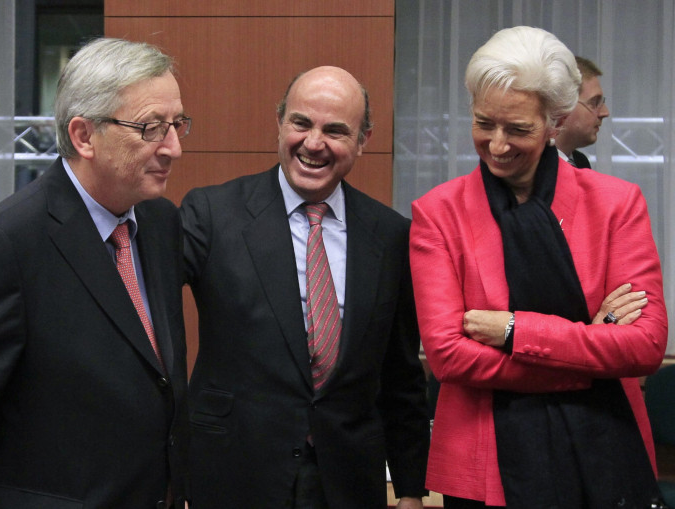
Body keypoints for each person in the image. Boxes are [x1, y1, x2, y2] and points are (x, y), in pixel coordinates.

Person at [410, 26, 668, 508]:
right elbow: (447, 355)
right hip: (484, 465)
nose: (498, 144)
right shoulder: (439, 213)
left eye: (519, 129)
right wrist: (588, 351)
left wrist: (513, 330)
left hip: (608, 452)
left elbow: (646, 344)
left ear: (555, 121)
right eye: (484, 123)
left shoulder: (615, 205)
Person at [0, 38, 190, 508]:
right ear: (83, 136)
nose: (172, 147)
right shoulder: (6, 245)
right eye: (151, 128)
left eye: (177, 125)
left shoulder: (158, 224)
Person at [180, 66, 429, 509]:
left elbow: (400, 375)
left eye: (335, 130)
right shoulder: (213, 214)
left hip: (347, 483)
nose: (314, 143)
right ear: (279, 123)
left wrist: (410, 489)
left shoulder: (391, 235)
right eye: (301, 123)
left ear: (363, 140)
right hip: (234, 475)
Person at [555, 56, 610, 168]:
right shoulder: (528, 170)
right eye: (594, 102)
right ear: (562, 104)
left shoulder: (580, 162)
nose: (605, 112)